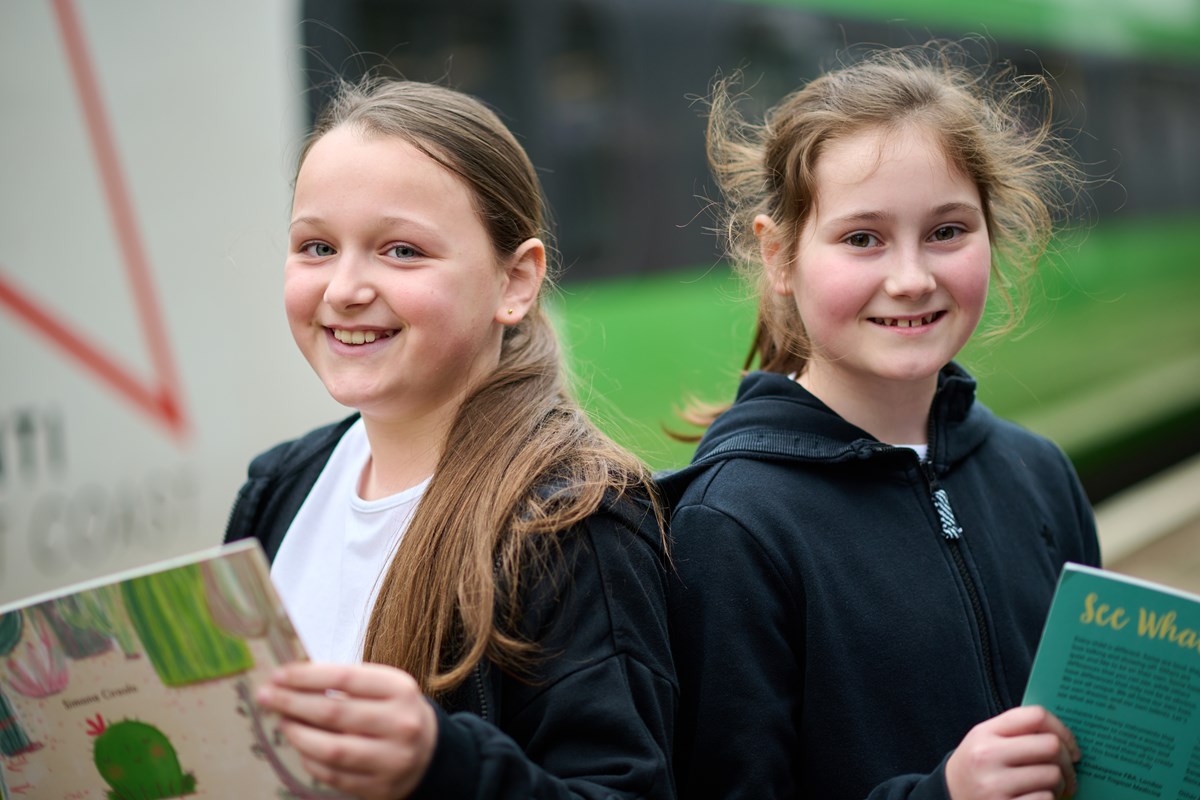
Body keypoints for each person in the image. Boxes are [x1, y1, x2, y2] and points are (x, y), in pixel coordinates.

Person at [660, 43, 1099, 799]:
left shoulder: (1039, 473)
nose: (911, 278)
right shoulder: (732, 525)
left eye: (947, 231)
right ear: (781, 255)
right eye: (863, 238)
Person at [224, 77, 675, 800]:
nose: (344, 287)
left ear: (515, 282)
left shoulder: (575, 521)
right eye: (316, 246)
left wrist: (443, 766)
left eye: (400, 251)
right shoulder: (278, 489)